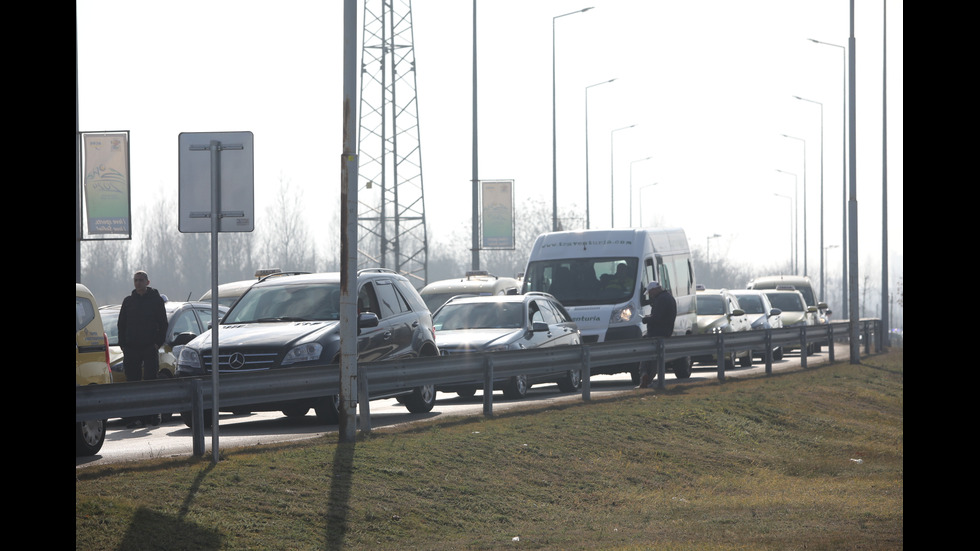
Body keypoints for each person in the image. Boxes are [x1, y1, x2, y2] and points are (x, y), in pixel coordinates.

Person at [118, 270, 168, 428]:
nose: (138, 283)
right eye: (135, 280)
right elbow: (121, 324)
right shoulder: (128, 301)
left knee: (150, 381)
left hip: (149, 347)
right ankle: (134, 417)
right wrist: (123, 345)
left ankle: (153, 415)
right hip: (131, 348)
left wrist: (156, 343)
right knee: (132, 383)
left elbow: (163, 323)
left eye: (141, 280)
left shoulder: (155, 300)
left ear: (147, 282)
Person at [638, 281, 676, 388]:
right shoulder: (669, 297)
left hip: (656, 333)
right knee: (656, 358)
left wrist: (646, 319)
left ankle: (644, 376)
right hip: (666, 332)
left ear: (655, 290)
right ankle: (648, 380)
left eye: (650, 292)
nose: (650, 295)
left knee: (646, 355)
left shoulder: (661, 299)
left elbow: (657, 318)